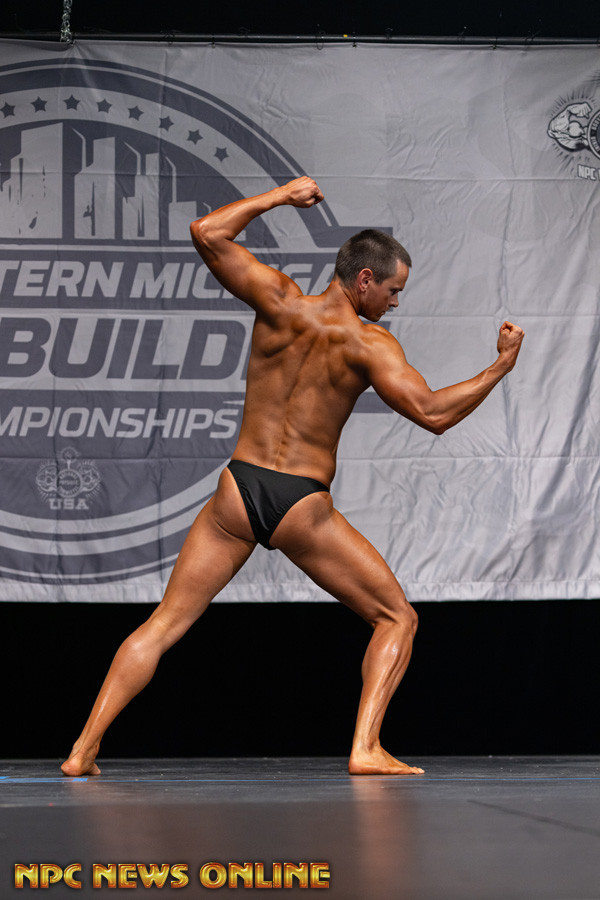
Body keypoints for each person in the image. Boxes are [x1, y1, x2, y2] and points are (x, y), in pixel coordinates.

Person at [61, 177, 524, 777]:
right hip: (301, 503)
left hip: (238, 490)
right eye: (393, 290)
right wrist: (500, 366)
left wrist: (280, 196)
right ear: (364, 279)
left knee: (165, 623)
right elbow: (434, 414)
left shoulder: (279, 300)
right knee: (397, 618)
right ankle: (365, 747)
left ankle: (82, 750)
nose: (395, 303)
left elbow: (207, 232)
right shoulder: (370, 344)